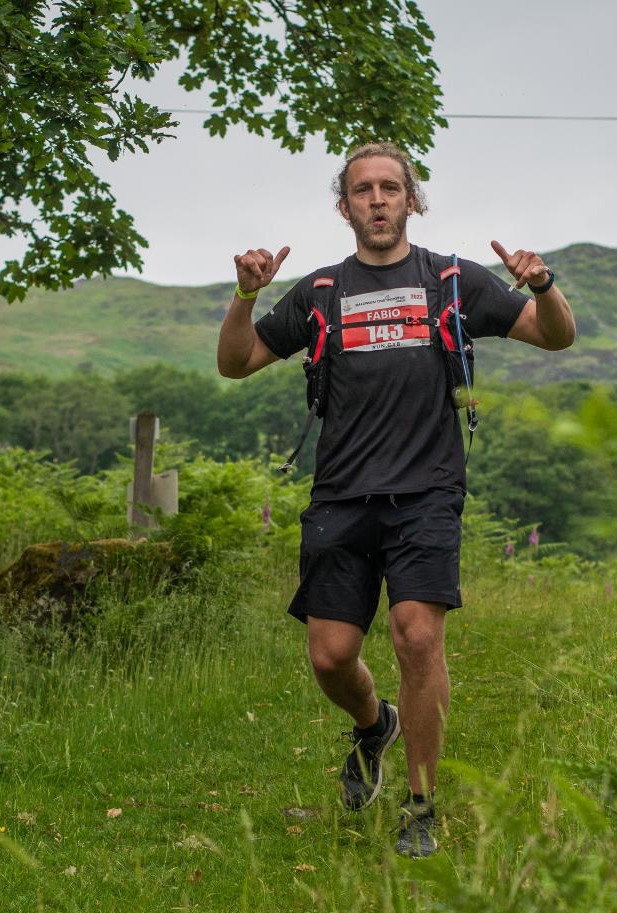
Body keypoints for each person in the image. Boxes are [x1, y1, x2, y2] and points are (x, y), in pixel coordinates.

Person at [216, 142, 576, 857]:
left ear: (411, 200)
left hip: (426, 494)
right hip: (341, 497)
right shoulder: (321, 292)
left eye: (390, 187)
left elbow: (555, 337)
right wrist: (246, 294)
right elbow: (236, 362)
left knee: (417, 635)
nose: (377, 200)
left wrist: (543, 286)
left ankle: (420, 803)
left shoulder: (451, 281)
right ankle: (372, 723)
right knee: (330, 656)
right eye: (362, 190)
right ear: (344, 206)